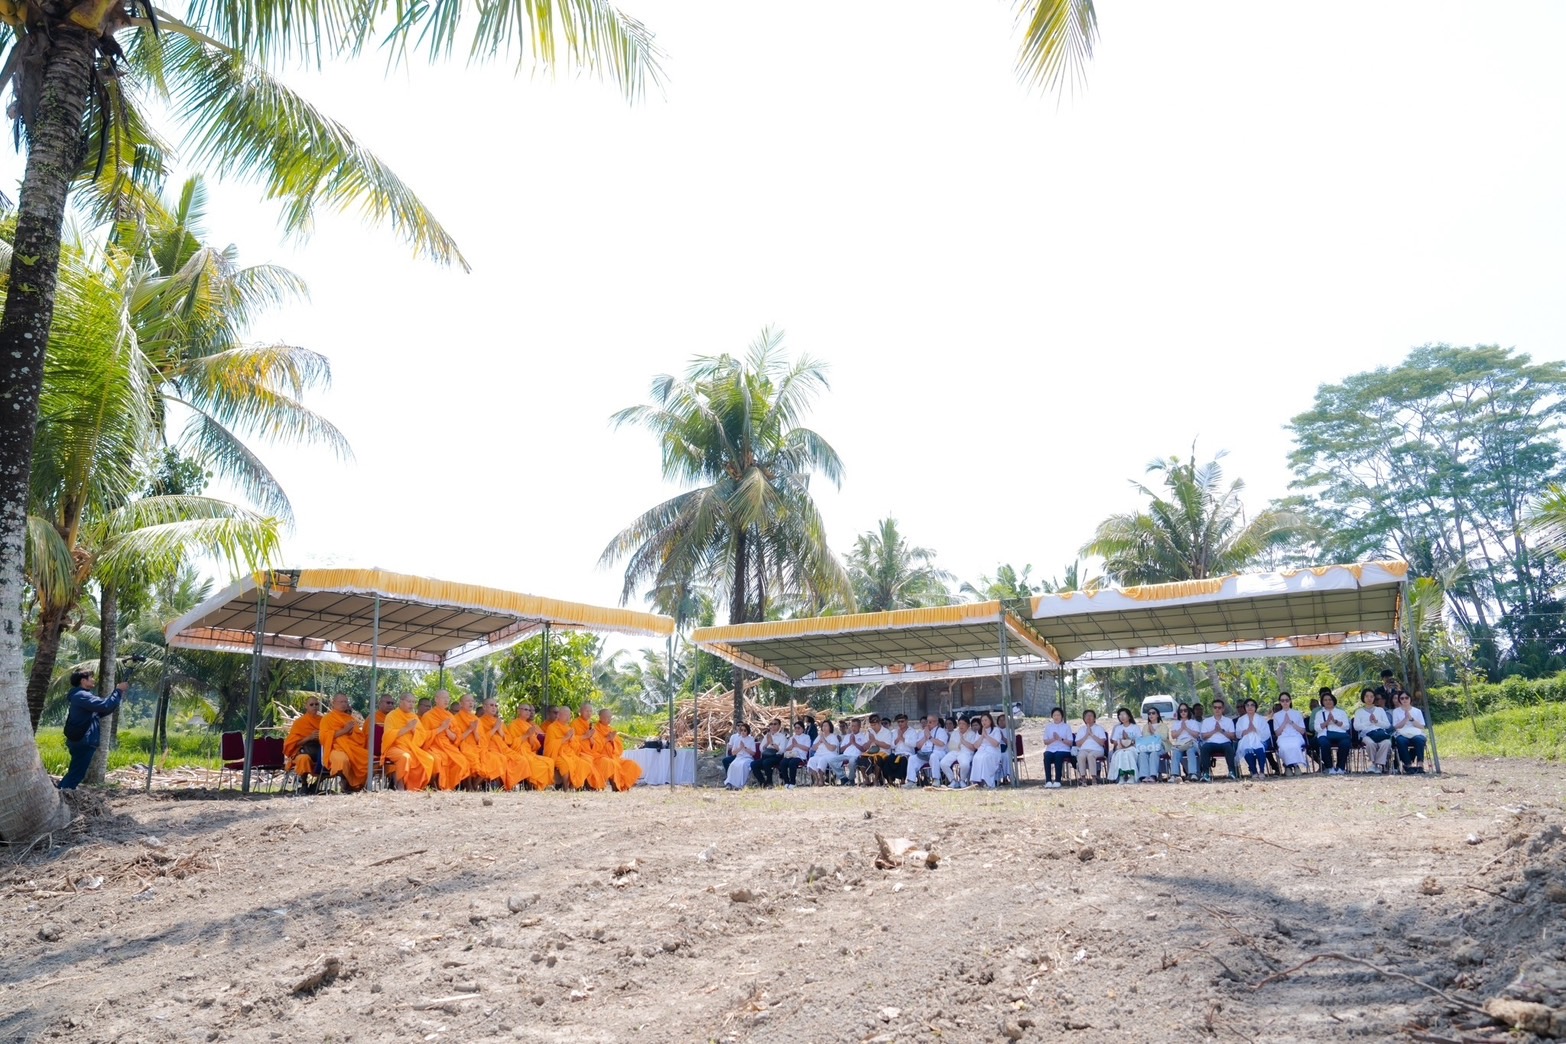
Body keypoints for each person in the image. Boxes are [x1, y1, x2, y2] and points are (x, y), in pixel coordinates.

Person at [58, 670, 126, 790]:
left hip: (80, 739)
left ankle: (62, 791)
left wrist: (117, 694)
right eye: (91, 678)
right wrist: (118, 691)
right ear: (83, 681)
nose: (93, 680)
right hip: (83, 739)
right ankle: (63, 794)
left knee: (76, 770)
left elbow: (104, 710)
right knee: (77, 773)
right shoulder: (82, 696)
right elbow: (105, 706)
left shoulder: (79, 695)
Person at [382, 693, 436, 791]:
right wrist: (407, 728)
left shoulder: (413, 717)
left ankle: (416, 787)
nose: (411, 704)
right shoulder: (391, 716)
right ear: (401, 701)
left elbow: (422, 736)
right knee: (405, 757)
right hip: (394, 747)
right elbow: (388, 735)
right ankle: (400, 785)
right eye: (409, 702)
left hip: (411, 748)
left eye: (413, 702)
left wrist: (414, 730)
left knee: (429, 759)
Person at [320, 693, 370, 791]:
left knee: (369, 759)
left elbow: (360, 738)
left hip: (352, 749)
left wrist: (352, 733)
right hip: (335, 749)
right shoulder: (327, 719)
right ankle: (345, 780)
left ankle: (357, 786)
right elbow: (323, 737)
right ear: (333, 703)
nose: (344, 704)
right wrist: (344, 731)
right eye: (341, 702)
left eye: (345, 702)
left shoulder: (350, 719)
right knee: (342, 760)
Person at [593, 709, 643, 791]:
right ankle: (615, 786)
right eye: (606, 717)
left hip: (614, 757)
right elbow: (595, 747)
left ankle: (623, 786)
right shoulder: (595, 730)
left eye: (610, 717)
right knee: (611, 763)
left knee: (631, 764)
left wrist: (612, 740)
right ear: (600, 717)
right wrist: (607, 739)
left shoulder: (611, 730)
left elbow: (619, 749)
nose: (608, 719)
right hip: (600, 757)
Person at [283, 696, 324, 792]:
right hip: (304, 751)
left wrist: (321, 737)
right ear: (306, 706)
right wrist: (309, 738)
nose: (314, 706)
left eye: (316, 704)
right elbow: (292, 743)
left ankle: (316, 784)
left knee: (332, 760)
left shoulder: (323, 721)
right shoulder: (299, 723)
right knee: (303, 759)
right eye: (311, 704)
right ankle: (304, 784)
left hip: (320, 752)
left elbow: (329, 736)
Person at [1198, 698, 1239, 782]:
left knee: (1229, 748)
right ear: (1212, 709)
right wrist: (1214, 731)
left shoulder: (1228, 721)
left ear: (1223, 709)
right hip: (1210, 743)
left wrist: (1221, 731)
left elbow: (1232, 736)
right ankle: (1206, 773)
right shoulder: (1206, 721)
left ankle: (1232, 772)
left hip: (1225, 743)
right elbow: (1203, 736)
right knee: (1204, 748)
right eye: (1215, 707)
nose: (1217, 709)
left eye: (1219, 707)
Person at [1353, 687, 1392, 774]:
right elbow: (1356, 727)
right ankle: (1374, 764)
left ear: (1374, 698)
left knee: (1387, 743)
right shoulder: (1359, 711)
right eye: (1367, 696)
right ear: (1363, 698)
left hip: (1380, 733)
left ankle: (1376, 765)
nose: (1369, 698)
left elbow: (1387, 725)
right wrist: (1368, 722)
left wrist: (1376, 722)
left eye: (1371, 696)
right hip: (1366, 735)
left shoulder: (1380, 710)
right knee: (1370, 744)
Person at [1314, 690, 1351, 775]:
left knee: (1345, 743)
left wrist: (1335, 721)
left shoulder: (1341, 712)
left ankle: (1341, 767)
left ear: (1333, 700)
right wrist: (1327, 722)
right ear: (1322, 702)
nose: (1328, 702)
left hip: (1340, 734)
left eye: (1330, 699)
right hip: (1325, 734)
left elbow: (1346, 726)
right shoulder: (1319, 713)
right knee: (1323, 743)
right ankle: (1329, 767)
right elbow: (1317, 728)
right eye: (1325, 700)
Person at [1271, 693, 1308, 776]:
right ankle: (1288, 766)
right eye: (1282, 700)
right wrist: (1284, 722)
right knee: (1283, 747)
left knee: (1294, 745)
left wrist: (1291, 723)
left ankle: (1296, 766)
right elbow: (1277, 733)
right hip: (1283, 737)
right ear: (1280, 702)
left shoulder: (1297, 713)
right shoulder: (1276, 715)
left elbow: (1302, 731)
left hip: (1296, 736)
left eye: (1287, 700)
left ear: (1290, 701)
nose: (1285, 702)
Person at [1234, 699, 1271, 780]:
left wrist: (1255, 730)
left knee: (1260, 748)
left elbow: (1266, 733)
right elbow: (1238, 734)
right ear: (1245, 707)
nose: (1250, 707)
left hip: (1260, 740)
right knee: (1247, 749)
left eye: (1252, 705)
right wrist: (1247, 731)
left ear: (1255, 707)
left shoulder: (1261, 719)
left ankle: (1261, 771)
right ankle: (1254, 772)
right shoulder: (1241, 720)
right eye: (1247, 705)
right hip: (1246, 740)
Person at [1391, 691, 1428, 772]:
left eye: (1406, 698)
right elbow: (1396, 726)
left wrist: (1411, 719)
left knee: (1419, 740)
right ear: (1399, 700)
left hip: (1416, 732)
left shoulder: (1417, 711)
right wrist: (1405, 719)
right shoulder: (1396, 711)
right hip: (1401, 733)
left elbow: (1421, 726)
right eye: (1402, 698)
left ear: (1410, 699)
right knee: (1401, 741)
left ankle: (1420, 764)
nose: (1404, 700)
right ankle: (1408, 764)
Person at [907, 715, 946, 787]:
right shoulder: (923, 732)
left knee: (933, 756)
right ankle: (911, 781)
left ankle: (936, 779)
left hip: (938, 752)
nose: (928, 724)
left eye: (930, 722)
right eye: (927, 722)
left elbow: (941, 743)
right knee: (912, 758)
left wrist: (930, 737)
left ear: (936, 722)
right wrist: (925, 737)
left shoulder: (941, 731)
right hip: (924, 754)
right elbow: (918, 746)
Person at [808, 720, 851, 784]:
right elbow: (813, 748)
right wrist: (819, 742)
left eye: (826, 726)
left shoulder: (833, 737)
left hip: (830, 755)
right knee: (811, 760)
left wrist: (824, 741)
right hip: (819, 754)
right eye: (823, 726)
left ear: (830, 728)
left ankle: (821, 780)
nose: (824, 727)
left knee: (822, 760)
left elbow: (832, 748)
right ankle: (816, 779)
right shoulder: (819, 737)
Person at [969, 712, 1004, 789]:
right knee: (976, 758)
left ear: (990, 721)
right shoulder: (979, 732)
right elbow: (975, 746)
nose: (984, 722)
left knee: (985, 758)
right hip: (981, 751)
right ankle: (977, 781)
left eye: (986, 720)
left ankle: (987, 781)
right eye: (982, 721)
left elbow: (996, 744)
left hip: (993, 751)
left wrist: (986, 736)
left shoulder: (996, 730)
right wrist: (982, 736)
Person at [1074, 709, 1108, 784]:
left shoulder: (1099, 728)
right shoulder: (1081, 729)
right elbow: (1078, 744)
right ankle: (1083, 778)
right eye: (1086, 716)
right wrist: (1086, 734)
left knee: (1091, 755)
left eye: (1091, 716)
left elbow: (1102, 742)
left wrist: (1092, 734)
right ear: (1084, 718)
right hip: (1084, 749)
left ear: (1094, 718)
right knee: (1080, 755)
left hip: (1097, 750)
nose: (1088, 717)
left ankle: (1094, 778)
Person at [1168, 704, 1201, 781]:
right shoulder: (1176, 723)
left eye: (1185, 710)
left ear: (1188, 711)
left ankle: (1193, 774)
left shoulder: (1193, 722)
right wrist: (1181, 729)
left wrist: (1186, 728)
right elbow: (1173, 735)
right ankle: (1174, 775)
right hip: (1180, 744)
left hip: (1191, 743)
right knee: (1175, 752)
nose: (1183, 712)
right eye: (1181, 710)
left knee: (1190, 751)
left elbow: (1196, 735)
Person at [1042, 708, 1073, 789]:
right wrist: (1054, 739)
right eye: (1054, 715)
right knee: (1047, 755)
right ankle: (1048, 780)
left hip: (1064, 749)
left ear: (1062, 716)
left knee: (1058, 755)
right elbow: (1045, 741)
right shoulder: (1048, 727)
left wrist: (1060, 739)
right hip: (1051, 749)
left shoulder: (1066, 727)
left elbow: (1070, 742)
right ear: (1052, 716)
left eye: (1058, 715)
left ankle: (1057, 780)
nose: (1056, 717)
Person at [1136, 706, 1168, 782]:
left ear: (1157, 715)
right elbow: (1144, 739)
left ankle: (1153, 776)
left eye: (1153, 713)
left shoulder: (1163, 726)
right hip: (1147, 747)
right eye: (1149, 713)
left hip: (1160, 747)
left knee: (1154, 753)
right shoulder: (1145, 726)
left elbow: (1164, 737)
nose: (1151, 715)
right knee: (1142, 754)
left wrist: (1153, 731)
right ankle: (1144, 776)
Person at [752, 719, 787, 788]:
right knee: (754, 764)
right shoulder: (767, 736)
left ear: (779, 726)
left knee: (766, 763)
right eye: (771, 724)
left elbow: (782, 750)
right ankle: (762, 782)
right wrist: (767, 743)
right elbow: (761, 749)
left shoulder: (782, 737)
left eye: (775, 724)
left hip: (776, 756)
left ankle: (769, 782)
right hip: (766, 755)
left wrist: (772, 743)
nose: (773, 726)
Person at [1109, 707, 1140, 783]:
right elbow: (1114, 741)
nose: (1122, 717)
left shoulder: (1135, 727)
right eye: (1120, 715)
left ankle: (1132, 776)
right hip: (1120, 748)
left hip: (1132, 748)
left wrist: (1128, 739)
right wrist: (1120, 741)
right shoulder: (1118, 728)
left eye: (1124, 714)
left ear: (1129, 716)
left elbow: (1139, 740)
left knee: (1128, 754)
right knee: (1120, 754)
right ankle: (1121, 777)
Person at [941, 717, 974, 788]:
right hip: (954, 752)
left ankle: (962, 780)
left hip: (966, 752)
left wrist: (963, 741)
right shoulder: (955, 733)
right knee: (943, 763)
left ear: (968, 725)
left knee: (965, 764)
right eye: (960, 724)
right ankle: (953, 780)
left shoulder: (972, 734)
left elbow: (973, 747)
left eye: (963, 724)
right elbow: (950, 746)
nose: (961, 726)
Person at [724, 723, 759, 790]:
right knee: (733, 765)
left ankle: (741, 785)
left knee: (743, 765)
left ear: (747, 731)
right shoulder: (737, 739)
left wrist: (745, 748)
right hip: (739, 758)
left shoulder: (751, 739)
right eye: (741, 730)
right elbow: (733, 753)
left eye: (745, 730)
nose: (743, 732)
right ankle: (730, 783)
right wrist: (740, 747)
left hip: (747, 758)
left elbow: (753, 753)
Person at [779, 720, 812, 788]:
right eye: (795, 728)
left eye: (798, 728)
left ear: (802, 729)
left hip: (800, 756)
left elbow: (807, 748)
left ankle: (793, 782)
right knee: (783, 762)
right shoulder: (792, 737)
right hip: (791, 754)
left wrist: (797, 745)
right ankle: (786, 781)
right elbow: (787, 748)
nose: (797, 729)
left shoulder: (806, 737)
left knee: (792, 763)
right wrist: (793, 745)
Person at [887, 715, 917, 784]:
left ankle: (903, 780)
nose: (900, 723)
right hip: (897, 753)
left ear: (906, 721)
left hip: (907, 754)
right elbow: (891, 746)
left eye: (902, 721)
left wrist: (903, 739)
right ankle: (890, 780)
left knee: (903, 760)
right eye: (899, 722)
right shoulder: (895, 732)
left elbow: (914, 744)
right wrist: (898, 738)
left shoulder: (912, 731)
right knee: (889, 759)